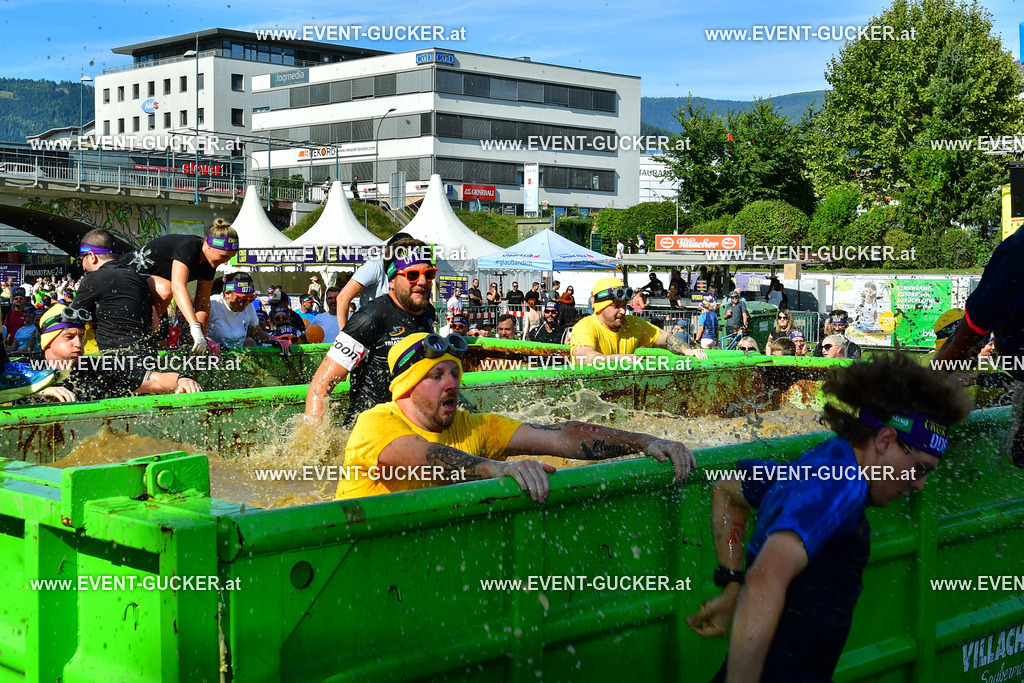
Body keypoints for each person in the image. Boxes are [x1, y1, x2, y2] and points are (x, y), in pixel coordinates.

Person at [687, 353, 970, 682]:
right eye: (919, 468)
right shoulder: (841, 487)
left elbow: (727, 491)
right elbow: (766, 578)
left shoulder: (825, 463)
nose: (919, 484)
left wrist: (732, 586)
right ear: (885, 440)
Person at [336, 332, 698, 501]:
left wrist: (645, 442)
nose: (451, 385)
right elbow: (421, 457)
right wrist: (498, 468)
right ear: (406, 388)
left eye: (455, 374)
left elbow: (561, 435)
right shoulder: (376, 422)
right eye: (435, 377)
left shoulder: (473, 426)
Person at [305, 239, 436, 424]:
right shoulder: (369, 319)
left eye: (429, 274)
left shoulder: (428, 312)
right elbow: (320, 387)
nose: (422, 282)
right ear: (392, 280)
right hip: (368, 433)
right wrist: (314, 443)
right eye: (412, 275)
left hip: (410, 428)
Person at [32, 304, 202, 403]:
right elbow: (7, 391)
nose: (78, 343)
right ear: (48, 342)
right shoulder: (27, 369)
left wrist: (182, 379)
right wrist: (41, 391)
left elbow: (153, 379)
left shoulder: (100, 367)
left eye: (81, 336)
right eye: (69, 337)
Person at [119, 219, 238, 354]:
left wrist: (200, 338)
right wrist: (194, 326)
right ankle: (144, 335)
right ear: (209, 246)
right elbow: (178, 287)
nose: (225, 262)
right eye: (224, 256)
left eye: (229, 258)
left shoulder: (210, 263)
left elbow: (203, 303)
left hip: (153, 292)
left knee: (161, 344)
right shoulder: (189, 246)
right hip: (125, 277)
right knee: (166, 291)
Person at [570, 278, 707, 362]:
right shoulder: (585, 327)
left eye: (624, 305)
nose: (623, 311)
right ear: (599, 307)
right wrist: (622, 359)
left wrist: (688, 351)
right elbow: (582, 358)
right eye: (616, 306)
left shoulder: (633, 324)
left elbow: (666, 338)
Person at [72, 229, 158, 353]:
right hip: (148, 351)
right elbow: (155, 324)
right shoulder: (136, 276)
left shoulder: (94, 278)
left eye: (82, 259)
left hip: (117, 357)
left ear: (91, 256)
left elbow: (74, 317)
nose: (83, 266)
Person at [337, 232, 413, 329]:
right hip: (368, 328)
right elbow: (343, 298)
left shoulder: (410, 270)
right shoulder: (375, 266)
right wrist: (344, 334)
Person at [207, 273, 274, 349]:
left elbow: (256, 332)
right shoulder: (212, 304)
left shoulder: (249, 306)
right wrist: (208, 343)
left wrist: (273, 339)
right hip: (212, 355)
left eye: (251, 299)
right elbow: (193, 331)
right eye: (243, 300)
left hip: (237, 354)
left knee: (249, 342)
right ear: (227, 294)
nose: (247, 303)